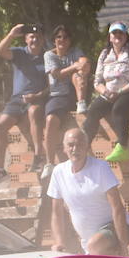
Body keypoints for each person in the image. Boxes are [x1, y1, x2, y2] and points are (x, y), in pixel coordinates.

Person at [47, 127, 129, 255]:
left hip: (115, 229)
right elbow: (57, 212)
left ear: (87, 147)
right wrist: (59, 242)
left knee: (94, 245)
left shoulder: (101, 168)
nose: (75, 149)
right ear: (64, 148)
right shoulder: (59, 172)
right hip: (89, 241)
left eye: (80, 144)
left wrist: (123, 246)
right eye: (71, 145)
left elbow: (117, 207)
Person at [0, 23, 49, 183]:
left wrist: (37, 95)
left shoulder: (48, 56)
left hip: (38, 98)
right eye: (31, 36)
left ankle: (38, 157)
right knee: (0, 126)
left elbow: (52, 85)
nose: (34, 39)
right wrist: (11, 35)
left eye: (38, 37)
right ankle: (0, 169)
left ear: (43, 39)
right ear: (26, 39)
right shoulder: (19, 53)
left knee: (33, 112)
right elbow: (0, 51)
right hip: (17, 99)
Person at [82, 22, 129, 164]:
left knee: (119, 108)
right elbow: (97, 81)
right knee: (93, 109)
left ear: (126, 35)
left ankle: (122, 147)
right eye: (114, 33)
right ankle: (84, 144)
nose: (117, 36)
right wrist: (104, 91)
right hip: (109, 93)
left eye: (120, 33)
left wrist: (119, 92)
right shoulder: (105, 54)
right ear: (110, 37)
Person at [43, 25, 89, 170]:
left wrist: (80, 66)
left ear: (70, 40)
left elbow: (84, 63)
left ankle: (81, 103)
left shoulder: (75, 52)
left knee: (78, 75)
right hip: (57, 96)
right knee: (50, 120)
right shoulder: (49, 55)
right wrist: (75, 66)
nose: (62, 39)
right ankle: (49, 163)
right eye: (59, 37)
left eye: (65, 37)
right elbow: (57, 74)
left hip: (74, 92)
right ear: (54, 40)